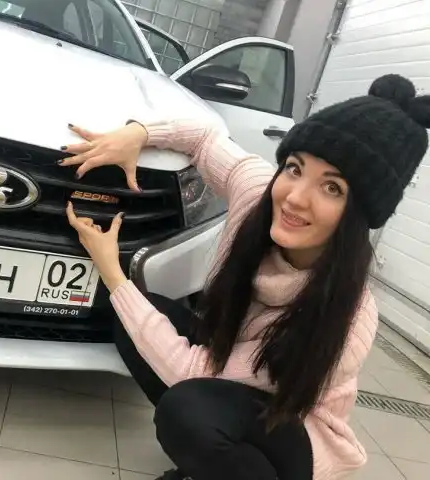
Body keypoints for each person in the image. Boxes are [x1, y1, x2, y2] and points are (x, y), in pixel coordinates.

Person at [59, 73, 430, 480]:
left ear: (359, 215)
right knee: (137, 318)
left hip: (297, 435)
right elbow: (205, 139)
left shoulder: (348, 317)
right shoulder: (257, 196)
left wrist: (113, 272)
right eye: (295, 168)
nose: (295, 197)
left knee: (188, 411)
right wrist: (138, 133)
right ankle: (210, 465)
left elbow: (191, 374)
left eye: (332, 189)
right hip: (235, 390)